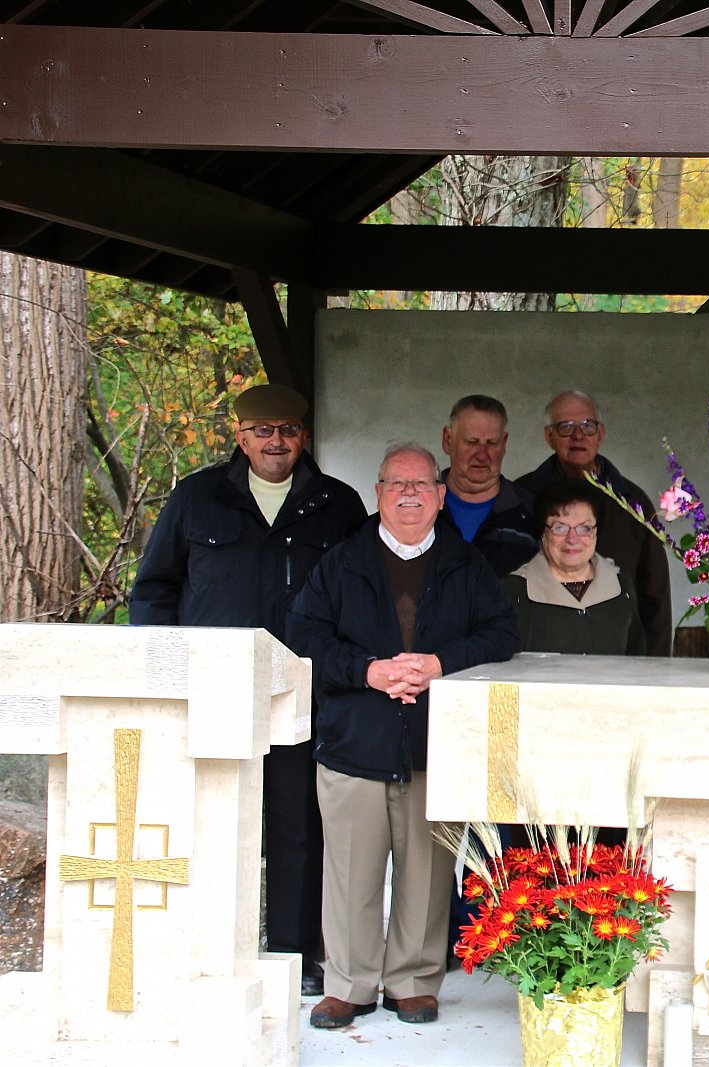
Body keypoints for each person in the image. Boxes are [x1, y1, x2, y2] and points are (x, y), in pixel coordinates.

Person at [129, 382, 366, 999]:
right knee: (212, 825)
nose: (276, 442)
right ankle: (208, 951)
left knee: (296, 829)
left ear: (304, 436)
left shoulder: (336, 505)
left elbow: (357, 601)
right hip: (212, 695)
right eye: (262, 431)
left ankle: (293, 953)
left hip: (300, 695)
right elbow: (155, 592)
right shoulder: (197, 498)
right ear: (239, 435)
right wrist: (166, 680)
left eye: (287, 430)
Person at [288, 443, 516, 1030]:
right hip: (352, 742)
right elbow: (304, 633)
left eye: (421, 484)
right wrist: (368, 671)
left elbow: (499, 635)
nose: (410, 494)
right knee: (350, 874)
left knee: (426, 873)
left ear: (441, 496)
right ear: (378, 492)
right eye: (397, 484)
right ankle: (348, 984)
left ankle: (413, 981)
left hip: (435, 745)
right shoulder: (341, 563)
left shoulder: (467, 565)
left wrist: (440, 663)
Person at [517, 390, 673, 656]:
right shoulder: (523, 497)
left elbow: (654, 595)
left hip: (618, 655)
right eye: (566, 427)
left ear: (601, 434)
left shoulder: (632, 503)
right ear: (549, 437)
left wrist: (655, 670)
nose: (578, 436)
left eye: (588, 426)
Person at [503, 478, 646, 656]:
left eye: (584, 528)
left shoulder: (621, 585)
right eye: (560, 527)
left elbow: (637, 659)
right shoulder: (514, 590)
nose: (572, 539)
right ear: (543, 533)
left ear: (595, 533)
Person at [438, 395, 541, 576]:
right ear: (448, 440)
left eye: (492, 443)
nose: (482, 455)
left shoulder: (534, 513)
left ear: (504, 443)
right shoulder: (418, 507)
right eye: (472, 442)